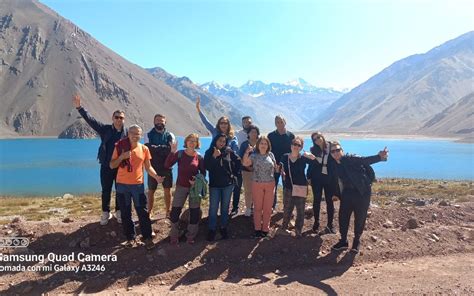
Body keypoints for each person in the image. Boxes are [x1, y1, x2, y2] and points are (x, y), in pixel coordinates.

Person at [73, 94, 127, 225]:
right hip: (106, 165)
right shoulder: (105, 129)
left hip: (121, 166)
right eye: (117, 117)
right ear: (112, 118)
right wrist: (80, 108)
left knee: (120, 189)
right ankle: (105, 212)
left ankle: (119, 212)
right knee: (106, 189)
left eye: (121, 118)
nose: (119, 120)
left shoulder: (127, 132)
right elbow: (91, 121)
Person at [110, 124, 164, 250]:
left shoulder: (144, 149)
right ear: (128, 134)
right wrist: (121, 157)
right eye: (132, 133)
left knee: (143, 212)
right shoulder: (120, 147)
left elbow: (148, 166)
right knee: (125, 213)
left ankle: (147, 238)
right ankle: (130, 238)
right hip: (122, 186)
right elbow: (112, 165)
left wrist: (156, 176)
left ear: (141, 135)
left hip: (138, 186)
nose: (135, 135)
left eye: (138, 133)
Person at [329, 141, 389, 253]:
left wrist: (379, 156)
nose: (336, 152)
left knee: (360, 217)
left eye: (338, 150)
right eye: (333, 151)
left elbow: (364, 160)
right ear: (330, 154)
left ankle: (356, 241)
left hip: (362, 192)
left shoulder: (350, 158)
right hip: (347, 192)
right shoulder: (335, 165)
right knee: (343, 217)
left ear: (342, 150)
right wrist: (336, 193)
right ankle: (343, 241)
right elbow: (336, 180)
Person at [195, 96, 241, 215]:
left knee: (228, 191)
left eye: (226, 123)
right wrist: (199, 109)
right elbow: (206, 122)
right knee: (215, 187)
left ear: (228, 125)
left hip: (227, 167)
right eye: (221, 123)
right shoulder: (215, 132)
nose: (223, 125)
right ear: (219, 124)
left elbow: (235, 152)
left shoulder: (233, 138)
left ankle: (227, 212)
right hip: (214, 163)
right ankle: (214, 216)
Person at [165, 133, 206, 244]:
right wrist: (172, 152)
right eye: (190, 140)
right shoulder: (180, 154)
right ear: (186, 142)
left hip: (194, 189)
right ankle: (174, 234)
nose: (192, 143)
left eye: (195, 141)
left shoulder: (200, 157)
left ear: (197, 143)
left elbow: (203, 173)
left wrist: (196, 181)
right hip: (181, 187)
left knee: (194, 212)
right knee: (174, 212)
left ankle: (190, 236)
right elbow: (167, 165)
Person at [204, 134, 242, 241]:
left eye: (224, 141)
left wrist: (235, 173)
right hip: (214, 185)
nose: (222, 143)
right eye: (220, 141)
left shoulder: (228, 151)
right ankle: (211, 229)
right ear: (216, 141)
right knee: (213, 208)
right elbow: (207, 167)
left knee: (225, 208)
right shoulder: (210, 152)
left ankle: (223, 227)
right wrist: (214, 157)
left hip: (227, 185)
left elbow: (238, 161)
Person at [242, 136, 278, 238]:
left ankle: (265, 228)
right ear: (258, 145)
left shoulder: (271, 155)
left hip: (270, 184)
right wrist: (247, 152)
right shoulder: (254, 155)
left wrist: (280, 169)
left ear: (268, 145)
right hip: (257, 184)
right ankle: (257, 229)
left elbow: (275, 168)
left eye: (265, 144)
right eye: (261, 143)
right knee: (257, 208)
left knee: (267, 208)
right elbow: (245, 163)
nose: (263, 145)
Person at [278, 137, 313, 237]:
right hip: (288, 187)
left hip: (301, 187)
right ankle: (284, 228)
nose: (296, 146)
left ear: (301, 147)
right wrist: (280, 170)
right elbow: (279, 168)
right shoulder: (285, 157)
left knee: (300, 210)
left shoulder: (303, 158)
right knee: (287, 209)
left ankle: (298, 230)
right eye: (295, 144)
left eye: (299, 145)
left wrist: (311, 156)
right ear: (291, 145)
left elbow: (316, 163)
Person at [144, 114, 175, 219]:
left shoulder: (170, 135)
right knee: (151, 191)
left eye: (161, 121)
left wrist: (156, 148)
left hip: (167, 167)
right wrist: (164, 148)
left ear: (165, 122)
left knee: (167, 190)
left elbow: (172, 150)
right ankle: (150, 211)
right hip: (153, 167)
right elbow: (148, 149)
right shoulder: (148, 135)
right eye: (157, 120)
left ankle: (168, 211)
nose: (159, 122)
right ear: (154, 122)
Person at [307, 132, 338, 234]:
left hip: (329, 178)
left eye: (318, 137)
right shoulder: (313, 150)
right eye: (314, 139)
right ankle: (316, 223)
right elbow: (311, 165)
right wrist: (309, 177)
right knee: (317, 200)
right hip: (317, 178)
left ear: (322, 136)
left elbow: (337, 160)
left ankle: (330, 225)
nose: (317, 140)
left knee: (329, 201)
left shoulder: (331, 146)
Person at [267, 115, 295, 211]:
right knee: (272, 186)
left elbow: (293, 151)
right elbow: (268, 151)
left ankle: (286, 206)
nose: (280, 124)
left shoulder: (291, 136)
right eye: (277, 122)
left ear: (285, 122)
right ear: (275, 124)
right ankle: (272, 205)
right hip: (274, 165)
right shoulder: (270, 136)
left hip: (287, 165)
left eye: (281, 122)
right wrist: (274, 164)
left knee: (286, 186)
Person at [238, 124, 260, 216]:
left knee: (258, 190)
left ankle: (257, 207)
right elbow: (241, 158)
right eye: (252, 132)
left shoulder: (260, 143)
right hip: (246, 171)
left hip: (258, 171)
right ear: (248, 133)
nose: (253, 134)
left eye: (255, 132)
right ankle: (248, 208)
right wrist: (248, 167)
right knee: (248, 190)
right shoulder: (244, 144)